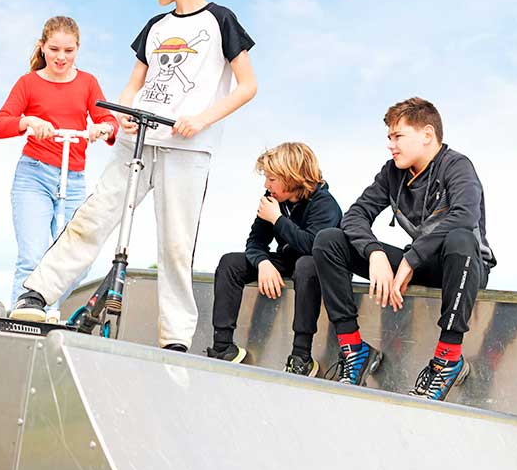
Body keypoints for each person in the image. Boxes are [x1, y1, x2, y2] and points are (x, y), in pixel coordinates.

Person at [10, 0, 258, 352]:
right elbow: (132, 86)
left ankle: (176, 339)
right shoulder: (156, 27)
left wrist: (200, 120)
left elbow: (247, 85)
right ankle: (37, 292)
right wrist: (123, 112)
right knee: (95, 215)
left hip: (187, 147)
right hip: (139, 138)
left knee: (176, 243)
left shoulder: (221, 21)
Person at [312, 97, 496, 400]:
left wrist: (409, 260)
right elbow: (355, 215)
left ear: (426, 135)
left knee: (460, 237)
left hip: (462, 266)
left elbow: (465, 215)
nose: (391, 145)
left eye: (398, 136)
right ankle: (354, 349)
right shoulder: (392, 173)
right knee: (329, 241)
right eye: (389, 138)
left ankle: (448, 358)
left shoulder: (457, 166)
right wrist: (375, 252)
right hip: (419, 264)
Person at [0, 16, 118, 307]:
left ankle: (49, 315)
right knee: (33, 258)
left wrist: (103, 128)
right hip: (34, 176)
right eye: (55, 49)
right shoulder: (28, 83)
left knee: (75, 261)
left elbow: (108, 119)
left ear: (77, 49)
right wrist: (28, 122)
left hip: (72, 179)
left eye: (69, 51)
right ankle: (22, 318)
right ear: (42, 47)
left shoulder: (87, 83)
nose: (61, 57)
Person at [210, 143, 341, 374]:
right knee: (230, 262)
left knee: (306, 264)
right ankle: (223, 347)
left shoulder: (325, 204)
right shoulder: (273, 200)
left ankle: (301, 356)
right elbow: (255, 242)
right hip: (288, 261)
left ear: (292, 177)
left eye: (272, 179)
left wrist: (277, 220)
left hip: (318, 267)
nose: (266, 185)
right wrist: (263, 263)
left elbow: (313, 246)